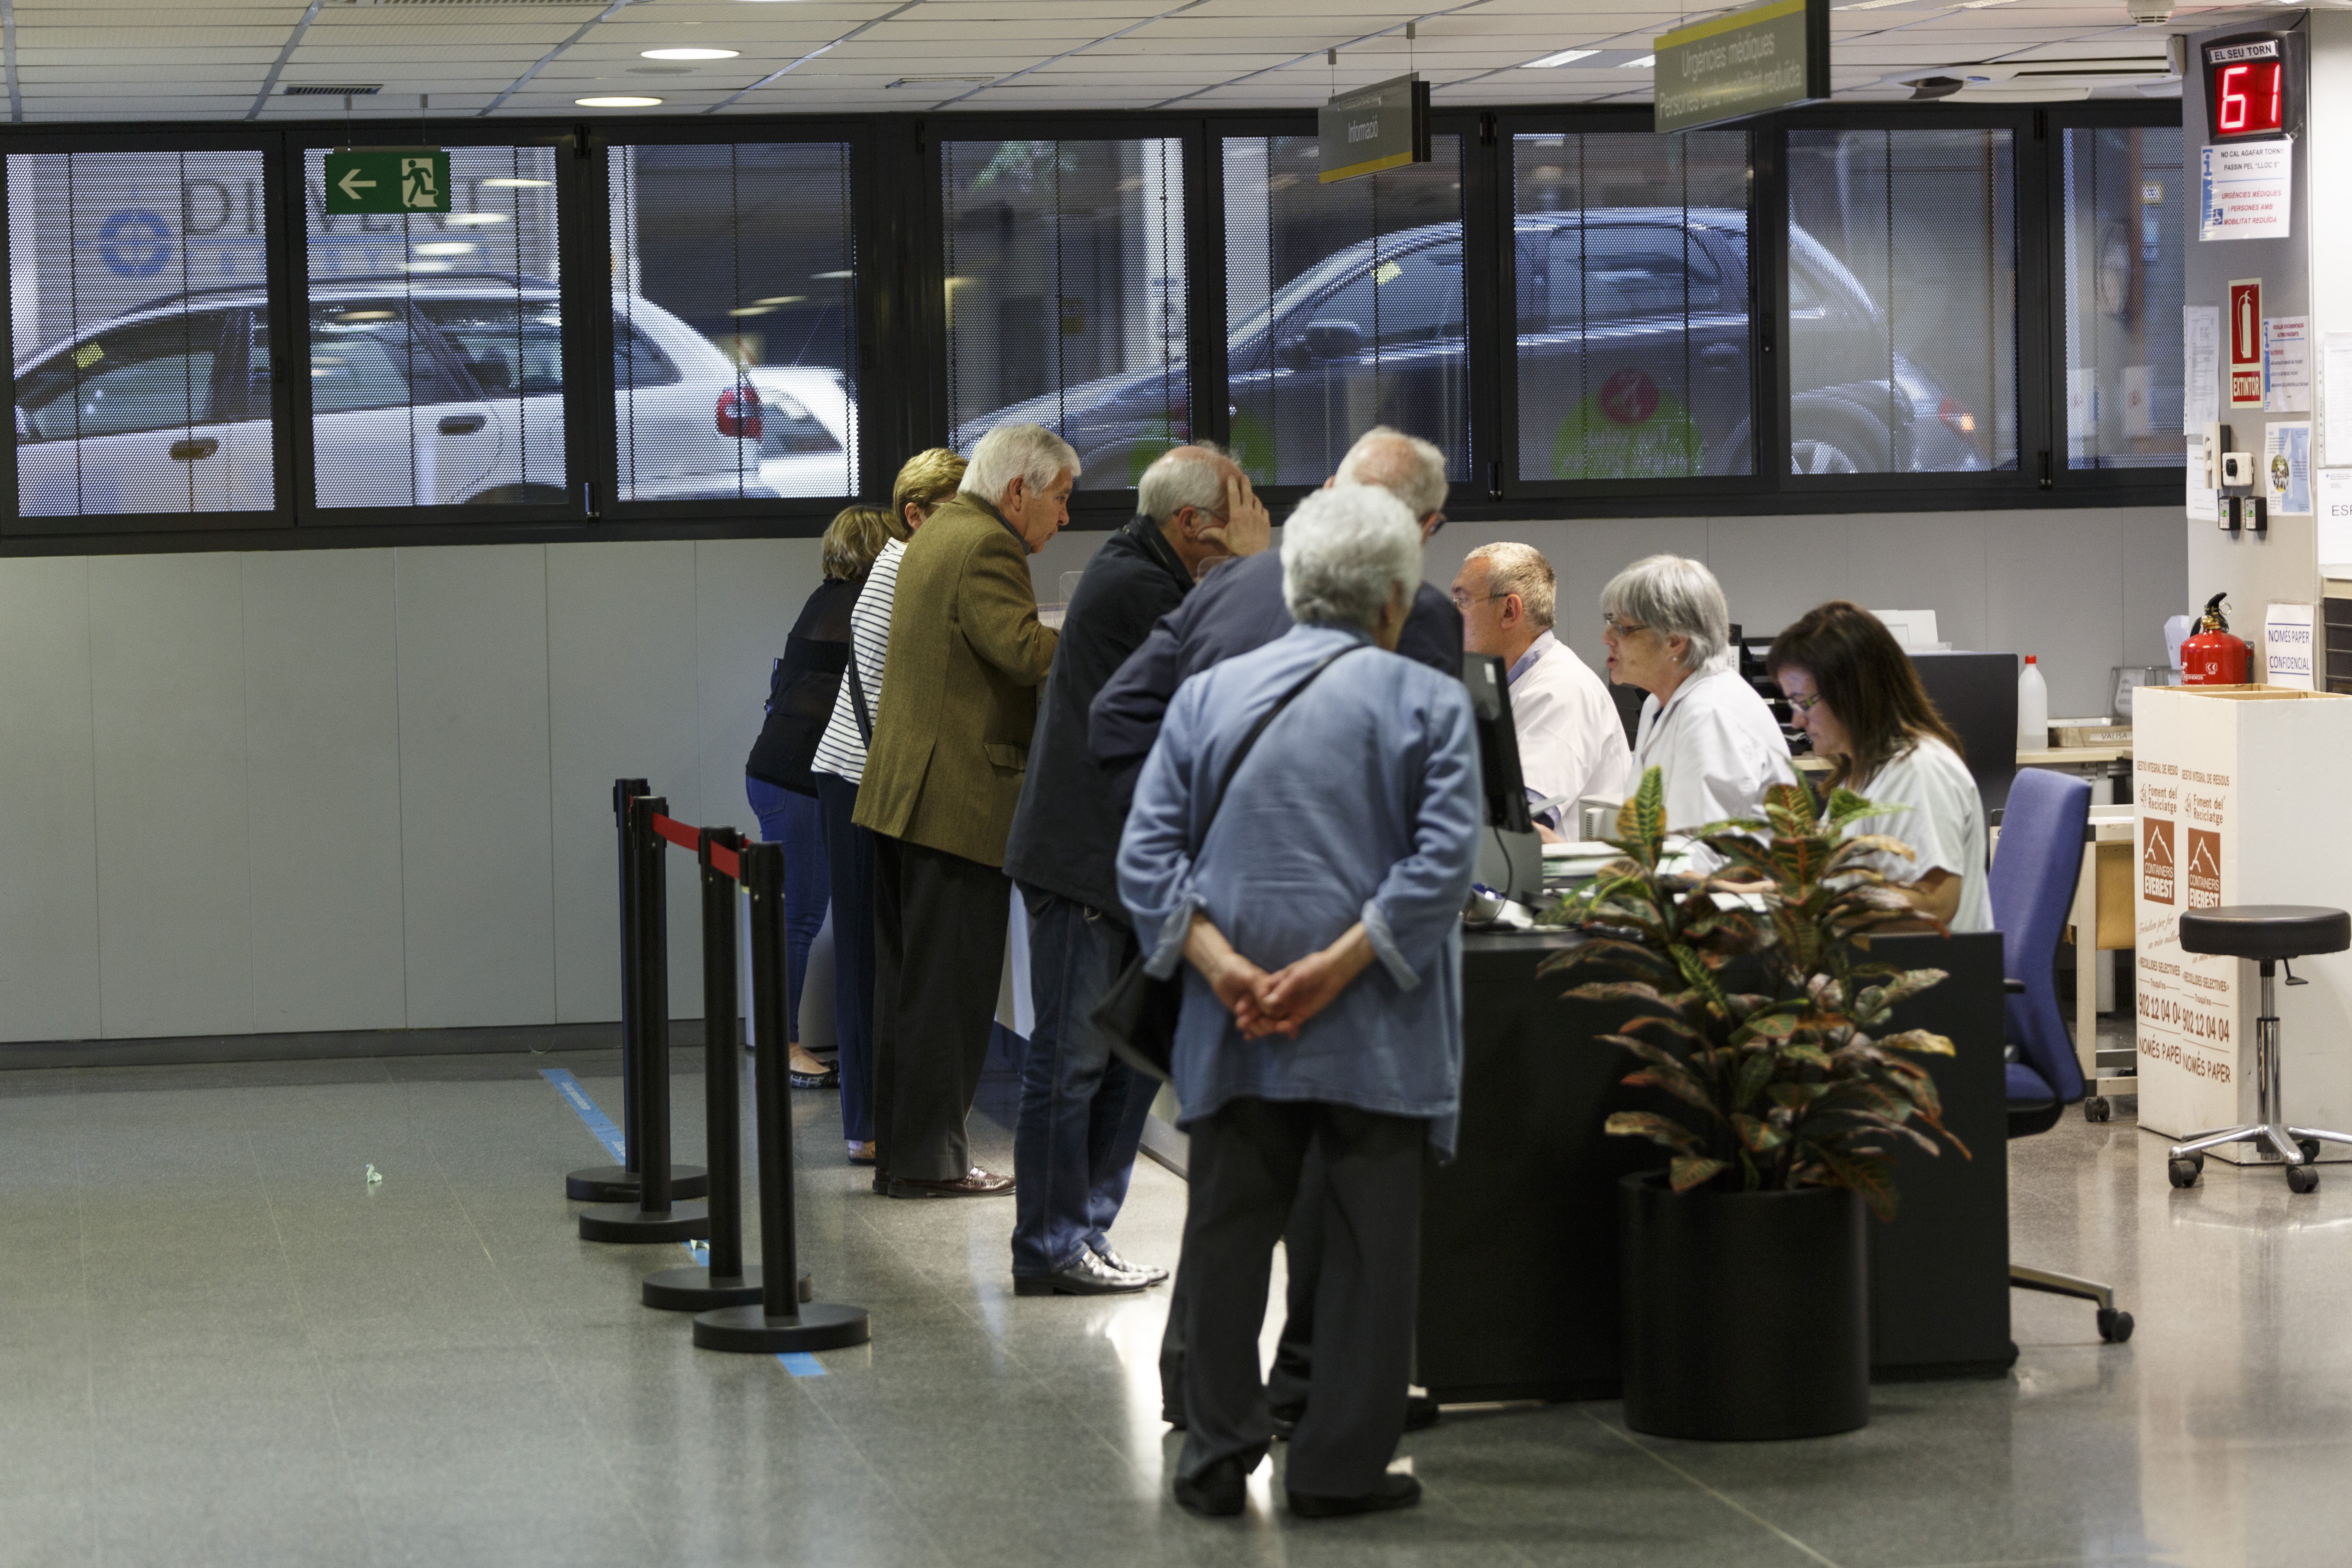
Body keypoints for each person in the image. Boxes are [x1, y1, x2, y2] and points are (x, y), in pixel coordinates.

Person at [1091, 425, 1462, 1441]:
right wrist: (1333, 961)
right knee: (1358, 1241)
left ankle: (1206, 1437)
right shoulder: (1424, 666)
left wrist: (1212, 932)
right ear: (1407, 556)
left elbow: (1121, 763)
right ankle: (1330, 1447)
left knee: (1222, 1229)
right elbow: (1443, 859)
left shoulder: (1211, 622)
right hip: (1367, 1009)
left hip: (1225, 998)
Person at [1002, 445, 1271, 1294]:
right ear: (1191, 522)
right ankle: (1049, 1246)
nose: (1254, 523)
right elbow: (1226, 682)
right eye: (1241, 509)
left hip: (1125, 865)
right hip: (1088, 863)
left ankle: (1085, 1233)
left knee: (1127, 1061)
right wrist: (1261, 572)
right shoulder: (1136, 585)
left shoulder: (1152, 572)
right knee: (1075, 1062)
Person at [856, 424, 1072, 1198]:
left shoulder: (937, 532)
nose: (1066, 517)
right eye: (1061, 498)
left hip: (902, 796)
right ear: (1018, 491)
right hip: (958, 802)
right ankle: (930, 1162)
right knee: (950, 997)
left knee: (910, 994)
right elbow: (1019, 652)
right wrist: (1094, 638)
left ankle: (905, 1154)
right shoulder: (990, 546)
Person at [1089, 426, 1462, 780]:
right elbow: (1431, 778)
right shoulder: (1422, 612)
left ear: (1330, 490)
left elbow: (1117, 712)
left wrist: (1184, 821)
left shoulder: (1224, 582)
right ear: (1426, 524)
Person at [809, 448, 967, 1165]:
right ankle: (870, 1123)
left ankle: (870, 1120)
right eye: (960, 515)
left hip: (851, 773)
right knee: (873, 958)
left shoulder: (897, 566)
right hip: (860, 776)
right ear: (918, 515)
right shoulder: (911, 569)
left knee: (871, 954)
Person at [745, 504, 901, 1091]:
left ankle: (780, 1038)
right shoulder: (867, 604)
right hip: (799, 780)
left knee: (795, 912)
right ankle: (782, 1044)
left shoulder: (823, 597)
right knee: (800, 914)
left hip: (773, 768)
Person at [1768, 600, 1990, 931]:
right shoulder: (1861, 771)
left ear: (1851, 694)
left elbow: (1937, 905)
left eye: (1803, 703)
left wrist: (1821, 906)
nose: (1797, 721)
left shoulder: (1920, 772)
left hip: (1927, 976)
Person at [1599, 553, 1796, 837]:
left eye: (1623, 628)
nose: (1606, 638)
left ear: (1675, 641)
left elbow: (1700, 856)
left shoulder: (1711, 713)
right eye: (1609, 622)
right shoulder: (1658, 704)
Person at [1451, 541, 1628, 835]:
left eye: (1463, 601)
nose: (1452, 616)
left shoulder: (1563, 689)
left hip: (1561, 880)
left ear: (1509, 611)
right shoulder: (1505, 684)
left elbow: (1519, 819)